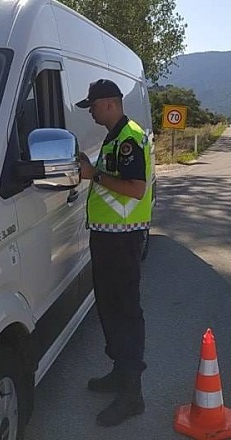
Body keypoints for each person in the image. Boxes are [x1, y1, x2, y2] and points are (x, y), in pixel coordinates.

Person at [75, 78, 152, 427]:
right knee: (110, 308)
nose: (89, 112)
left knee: (124, 311)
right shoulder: (115, 135)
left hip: (122, 238)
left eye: (91, 105)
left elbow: (135, 189)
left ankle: (131, 393)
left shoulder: (128, 138)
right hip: (109, 237)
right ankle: (119, 373)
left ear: (108, 103)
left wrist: (93, 176)